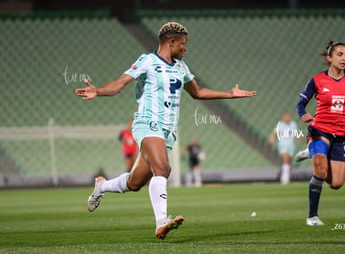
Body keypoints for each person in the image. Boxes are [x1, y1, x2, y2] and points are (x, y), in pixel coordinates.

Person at [75, 22, 256, 239]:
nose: (185, 49)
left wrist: (229, 94)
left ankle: (102, 186)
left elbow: (197, 92)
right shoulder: (147, 61)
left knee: (135, 183)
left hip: (167, 132)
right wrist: (99, 91)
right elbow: (120, 84)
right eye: (183, 44)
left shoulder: (181, 67)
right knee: (163, 168)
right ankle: (161, 221)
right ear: (171, 42)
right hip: (147, 123)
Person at [295, 41, 345, 226]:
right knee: (320, 168)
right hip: (320, 128)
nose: (344, 58)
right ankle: (312, 217)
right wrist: (303, 115)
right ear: (329, 58)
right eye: (340, 54)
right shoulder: (317, 80)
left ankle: (311, 152)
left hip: (341, 133)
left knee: (336, 183)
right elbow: (300, 104)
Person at [268, 112, 299, 185]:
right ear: (283, 118)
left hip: (291, 145)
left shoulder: (293, 124)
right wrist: (272, 141)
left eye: (288, 116)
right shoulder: (280, 125)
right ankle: (285, 179)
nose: (287, 118)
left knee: (288, 162)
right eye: (286, 117)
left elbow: (297, 134)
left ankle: (286, 177)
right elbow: (273, 134)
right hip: (283, 145)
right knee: (285, 160)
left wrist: (302, 138)